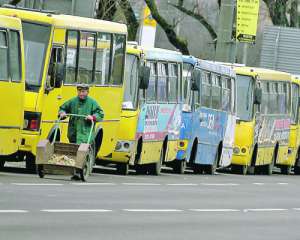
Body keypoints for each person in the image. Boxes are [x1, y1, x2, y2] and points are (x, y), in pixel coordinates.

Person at [58, 83, 104, 180]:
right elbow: (63, 108)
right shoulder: (73, 101)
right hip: (73, 133)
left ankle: (79, 172)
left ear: (87, 92)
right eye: (79, 91)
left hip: (85, 133)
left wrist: (93, 117)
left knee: (81, 152)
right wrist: (62, 113)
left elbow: (100, 113)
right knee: (74, 152)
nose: (81, 93)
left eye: (83, 91)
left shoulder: (92, 102)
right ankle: (74, 171)